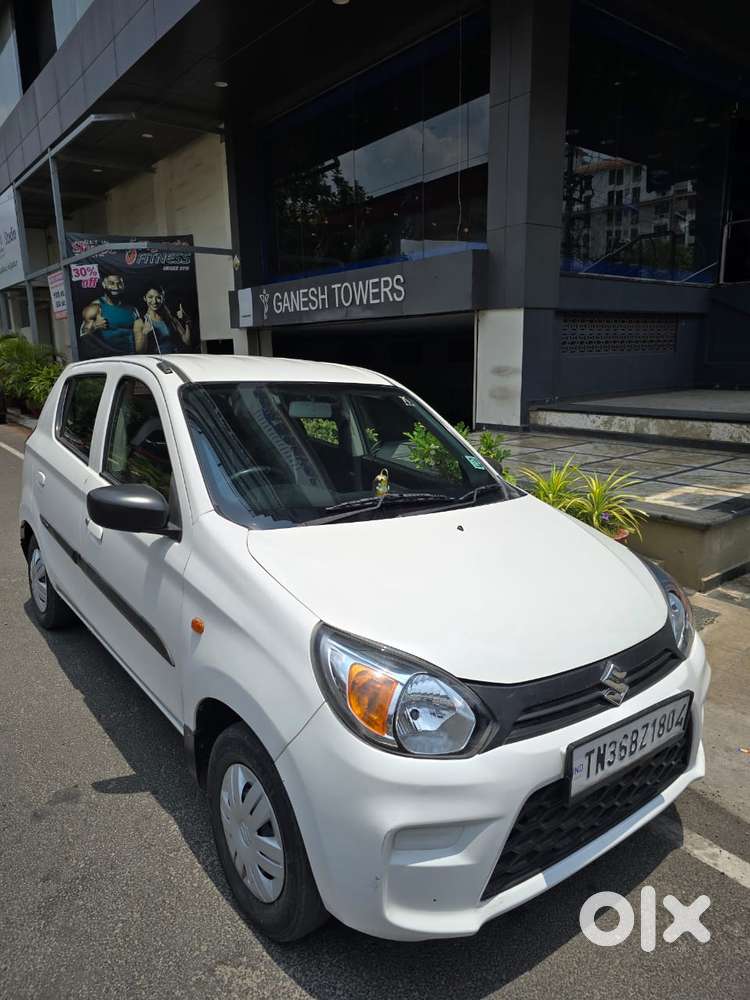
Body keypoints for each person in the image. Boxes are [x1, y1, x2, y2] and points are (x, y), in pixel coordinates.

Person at [79, 274, 140, 357]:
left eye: (119, 284)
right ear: (104, 285)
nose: (116, 287)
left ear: (123, 285)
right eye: (111, 283)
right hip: (109, 360)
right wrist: (95, 326)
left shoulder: (132, 310)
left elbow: (139, 338)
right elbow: (83, 334)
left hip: (130, 359)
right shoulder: (95, 307)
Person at [133, 287, 192, 353]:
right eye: (150, 297)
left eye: (158, 297)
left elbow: (187, 342)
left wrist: (187, 321)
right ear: (145, 298)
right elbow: (140, 351)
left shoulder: (171, 319)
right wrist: (144, 333)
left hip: (173, 359)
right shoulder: (140, 322)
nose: (154, 301)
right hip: (155, 362)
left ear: (163, 298)